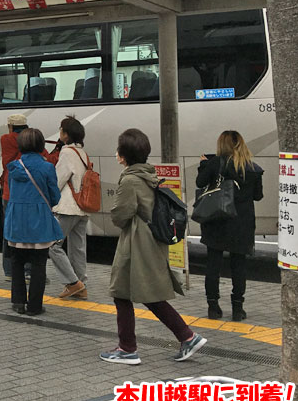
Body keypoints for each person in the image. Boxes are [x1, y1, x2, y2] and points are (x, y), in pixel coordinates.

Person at [100, 129, 206, 365]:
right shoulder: (149, 174)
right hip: (150, 241)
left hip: (136, 244)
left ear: (123, 155)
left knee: (123, 292)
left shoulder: (130, 179)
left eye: (118, 149)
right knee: (144, 293)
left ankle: (128, 349)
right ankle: (186, 337)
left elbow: (120, 215)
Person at [196, 130, 263, 321]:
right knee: (239, 265)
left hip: (216, 219)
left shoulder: (214, 164)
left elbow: (200, 182)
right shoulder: (252, 168)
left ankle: (213, 308)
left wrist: (203, 164)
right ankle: (237, 309)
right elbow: (258, 196)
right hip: (241, 223)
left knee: (213, 264)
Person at [5, 128, 63, 316]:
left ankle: (18, 302)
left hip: (16, 220)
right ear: (41, 145)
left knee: (17, 262)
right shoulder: (47, 167)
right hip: (39, 220)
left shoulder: (14, 167)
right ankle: (35, 306)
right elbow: (54, 196)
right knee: (39, 264)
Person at [50, 116, 90, 300]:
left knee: (52, 245)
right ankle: (81, 285)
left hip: (68, 207)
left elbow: (59, 180)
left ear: (66, 134)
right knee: (78, 247)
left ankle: (73, 283)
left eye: (61, 130)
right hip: (82, 207)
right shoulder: (82, 152)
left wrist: (49, 199)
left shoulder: (67, 152)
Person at [0, 113, 27, 279]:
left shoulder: (6, 139)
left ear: (10, 126)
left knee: (9, 230)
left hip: (9, 192)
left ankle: (10, 269)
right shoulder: (32, 140)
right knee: (28, 230)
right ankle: (29, 269)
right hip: (28, 193)